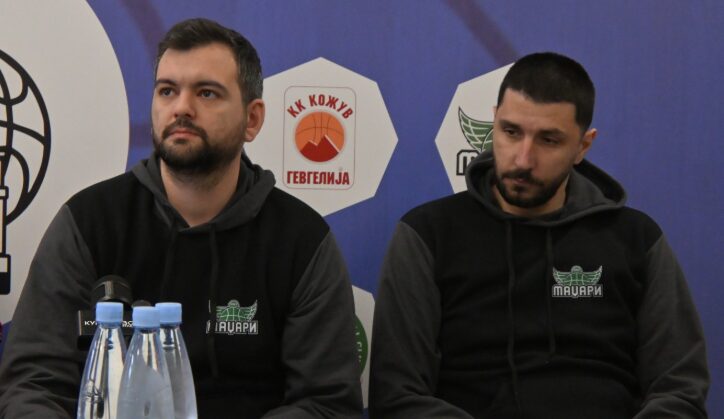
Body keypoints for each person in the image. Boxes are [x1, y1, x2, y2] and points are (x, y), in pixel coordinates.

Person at [0, 18, 362, 418]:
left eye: (206, 93)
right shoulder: (88, 223)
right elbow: (33, 385)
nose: (181, 108)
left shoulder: (301, 240)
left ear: (252, 119)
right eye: (167, 91)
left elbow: (327, 404)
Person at [369, 52, 709, 418]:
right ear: (494, 121)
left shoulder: (636, 239)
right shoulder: (428, 235)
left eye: (549, 140)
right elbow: (397, 395)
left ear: (583, 146)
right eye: (511, 132)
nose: (523, 160)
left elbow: (680, 389)